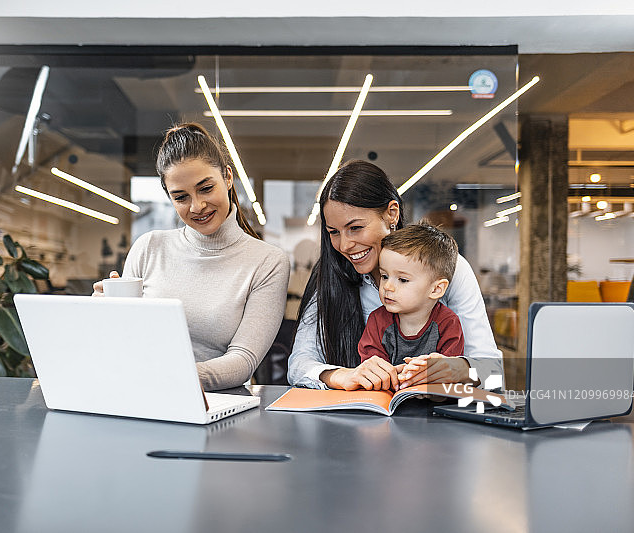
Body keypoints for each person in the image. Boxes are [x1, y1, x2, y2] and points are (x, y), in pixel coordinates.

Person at [93, 123, 290, 391]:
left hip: (216, 407)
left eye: (206, 188)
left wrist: (170, 377)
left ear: (228, 177)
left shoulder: (267, 262)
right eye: (181, 197)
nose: (197, 206)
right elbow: (125, 341)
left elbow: (243, 360)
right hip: (141, 396)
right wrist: (104, 314)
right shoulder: (149, 247)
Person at [288, 160, 502, 391]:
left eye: (356, 228)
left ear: (392, 214)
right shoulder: (330, 275)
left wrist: (455, 369)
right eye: (334, 232)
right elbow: (299, 363)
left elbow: (492, 371)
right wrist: (340, 375)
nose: (345, 244)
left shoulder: (450, 268)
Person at [357, 222, 464, 386]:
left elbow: (452, 373)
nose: (387, 287)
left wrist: (443, 368)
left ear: (436, 289)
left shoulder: (448, 323)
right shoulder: (377, 320)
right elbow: (373, 368)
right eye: (384, 276)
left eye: (402, 280)